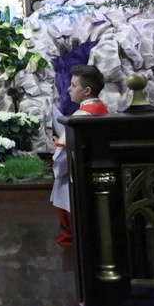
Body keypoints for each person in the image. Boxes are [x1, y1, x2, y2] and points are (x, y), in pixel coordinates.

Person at [50, 64, 109, 247]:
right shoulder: (100, 107)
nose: (68, 89)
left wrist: (56, 151)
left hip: (77, 175)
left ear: (87, 90)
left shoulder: (81, 116)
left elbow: (62, 159)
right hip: (96, 169)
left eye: (74, 85)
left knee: (72, 216)